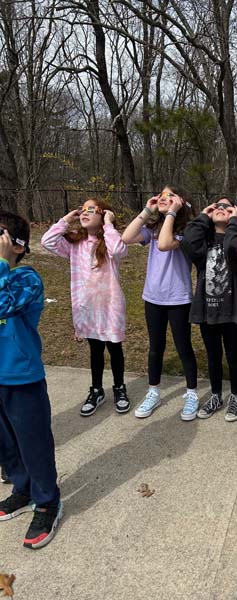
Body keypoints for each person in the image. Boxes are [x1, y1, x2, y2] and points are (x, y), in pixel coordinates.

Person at [0, 212, 62, 549]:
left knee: (34, 445)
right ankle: (22, 489)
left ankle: (48, 500)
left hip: (21, 376)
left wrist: (1, 262)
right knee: (6, 446)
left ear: (17, 245)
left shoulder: (27, 278)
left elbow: (2, 304)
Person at [41, 199, 130, 416]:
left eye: (92, 210)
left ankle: (119, 388)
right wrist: (65, 220)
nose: (85, 212)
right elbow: (47, 242)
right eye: (83, 209)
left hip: (110, 306)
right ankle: (97, 389)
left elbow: (119, 250)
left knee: (114, 348)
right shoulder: (74, 244)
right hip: (87, 308)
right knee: (95, 350)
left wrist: (109, 224)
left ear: (103, 215)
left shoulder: (109, 242)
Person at [122, 185, 199, 420]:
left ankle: (192, 394)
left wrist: (173, 213)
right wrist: (147, 210)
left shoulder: (189, 230)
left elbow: (165, 244)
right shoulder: (153, 227)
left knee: (183, 346)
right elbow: (126, 237)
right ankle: (153, 392)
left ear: (182, 202)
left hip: (178, 298)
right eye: (162, 195)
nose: (164, 198)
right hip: (153, 298)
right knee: (155, 348)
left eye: (170, 196)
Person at [182, 197, 237, 421]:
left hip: (231, 309)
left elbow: (232, 249)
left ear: (235, 215)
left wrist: (234, 222)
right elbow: (188, 241)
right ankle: (216, 395)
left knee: (233, 356)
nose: (221, 209)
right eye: (217, 206)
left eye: (227, 208)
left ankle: (236, 396)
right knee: (213, 356)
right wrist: (203, 217)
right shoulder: (203, 240)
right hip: (207, 309)